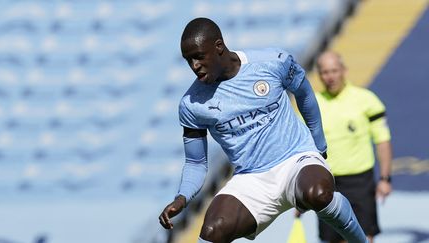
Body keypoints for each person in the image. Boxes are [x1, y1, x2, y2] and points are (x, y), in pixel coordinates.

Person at [158, 17, 368, 243]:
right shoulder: (191, 104)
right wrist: (182, 198)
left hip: (296, 159)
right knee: (211, 232)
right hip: (251, 179)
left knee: (318, 193)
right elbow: (196, 163)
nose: (194, 65)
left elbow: (305, 94)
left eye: (198, 56)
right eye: (188, 60)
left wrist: (319, 145)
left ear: (218, 46)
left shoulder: (273, 62)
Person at [314, 51, 393, 243]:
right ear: (319, 75)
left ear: (344, 71)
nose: (330, 77)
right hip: (328, 183)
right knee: (333, 239)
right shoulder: (312, 104)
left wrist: (385, 178)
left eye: (334, 71)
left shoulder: (366, 99)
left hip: (360, 182)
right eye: (324, 72)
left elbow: (383, 140)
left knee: (364, 237)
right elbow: (302, 148)